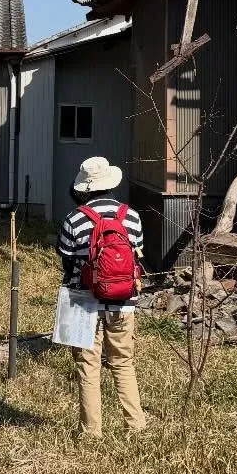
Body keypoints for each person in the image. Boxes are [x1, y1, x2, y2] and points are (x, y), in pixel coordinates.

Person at [57, 156, 148, 437]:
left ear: (84, 187)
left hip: (83, 302)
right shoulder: (130, 216)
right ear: (110, 182)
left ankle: (91, 430)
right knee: (123, 362)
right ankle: (135, 425)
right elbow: (138, 255)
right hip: (124, 302)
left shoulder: (74, 219)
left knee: (88, 365)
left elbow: (67, 260)